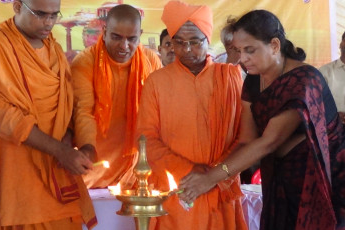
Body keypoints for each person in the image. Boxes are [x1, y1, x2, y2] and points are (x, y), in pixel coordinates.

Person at [179, 10, 345, 230]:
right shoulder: (253, 81)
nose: (242, 59)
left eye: (250, 50)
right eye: (238, 51)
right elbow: (247, 141)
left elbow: (269, 141)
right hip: (279, 181)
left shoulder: (304, 80)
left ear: (275, 45)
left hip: (322, 181)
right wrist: (212, 171)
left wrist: (212, 178)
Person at [0, 0, 97, 229]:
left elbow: (65, 106)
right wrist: (60, 150)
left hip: (55, 172)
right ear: (17, 6)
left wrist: (68, 138)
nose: (49, 22)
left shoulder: (53, 48)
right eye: (41, 14)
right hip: (13, 172)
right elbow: (3, 116)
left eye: (55, 15)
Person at [137, 1, 246, 229]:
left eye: (195, 42)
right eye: (179, 42)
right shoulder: (157, 82)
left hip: (220, 187)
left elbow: (244, 137)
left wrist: (213, 176)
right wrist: (190, 172)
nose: (187, 49)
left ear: (208, 40)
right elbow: (146, 140)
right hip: (178, 188)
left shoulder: (231, 76)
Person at [71, 4, 162, 189]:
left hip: (137, 167)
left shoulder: (151, 61)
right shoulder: (85, 63)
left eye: (131, 39)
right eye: (116, 37)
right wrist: (87, 148)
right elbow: (83, 111)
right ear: (104, 32)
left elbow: (161, 112)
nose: (124, 46)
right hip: (95, 164)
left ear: (140, 34)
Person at [320, 31, 345, 124]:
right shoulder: (324, 72)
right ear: (340, 44)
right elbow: (315, 103)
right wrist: (332, 115)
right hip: (332, 129)